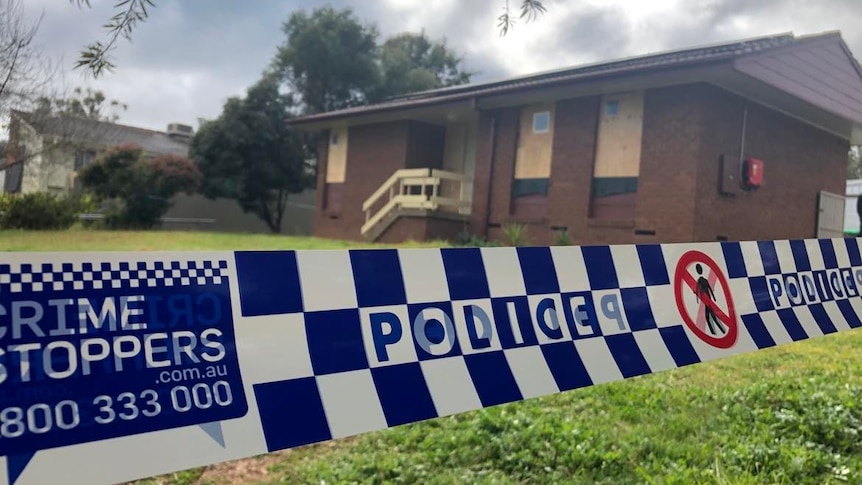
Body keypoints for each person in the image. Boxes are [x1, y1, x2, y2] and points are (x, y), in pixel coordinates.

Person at [695, 263, 726, 336]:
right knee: (710, 316)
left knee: (710, 316)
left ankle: (716, 332)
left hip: (706, 300)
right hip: (708, 299)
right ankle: (718, 331)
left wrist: (697, 298)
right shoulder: (705, 280)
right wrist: (713, 297)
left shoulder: (699, 281)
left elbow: (698, 290)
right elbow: (709, 289)